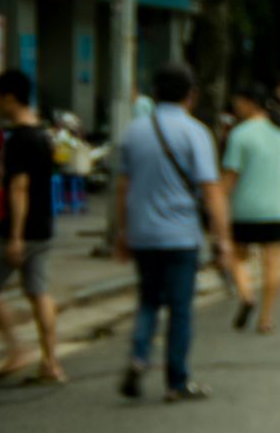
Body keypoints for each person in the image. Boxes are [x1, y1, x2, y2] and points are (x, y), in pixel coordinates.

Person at [113, 63, 229, 402]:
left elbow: (123, 186)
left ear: (155, 92)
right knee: (180, 308)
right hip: (180, 236)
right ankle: (176, 381)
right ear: (190, 95)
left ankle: (139, 356)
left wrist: (123, 232)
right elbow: (211, 191)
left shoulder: (134, 131)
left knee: (148, 299)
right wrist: (222, 239)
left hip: (143, 234)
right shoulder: (195, 133)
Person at [0, 70, 65, 385]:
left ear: (10, 97)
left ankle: (16, 348)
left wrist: (14, 236)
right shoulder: (43, 135)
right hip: (44, 226)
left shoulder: (18, 140)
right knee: (39, 293)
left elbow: (19, 188)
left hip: (19, 229)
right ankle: (51, 362)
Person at [221, 83, 280, 335]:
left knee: (236, 255)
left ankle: (246, 294)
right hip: (277, 209)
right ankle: (266, 319)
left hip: (245, 210)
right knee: (272, 265)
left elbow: (230, 177)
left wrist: (216, 203)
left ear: (247, 103)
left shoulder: (239, 134)